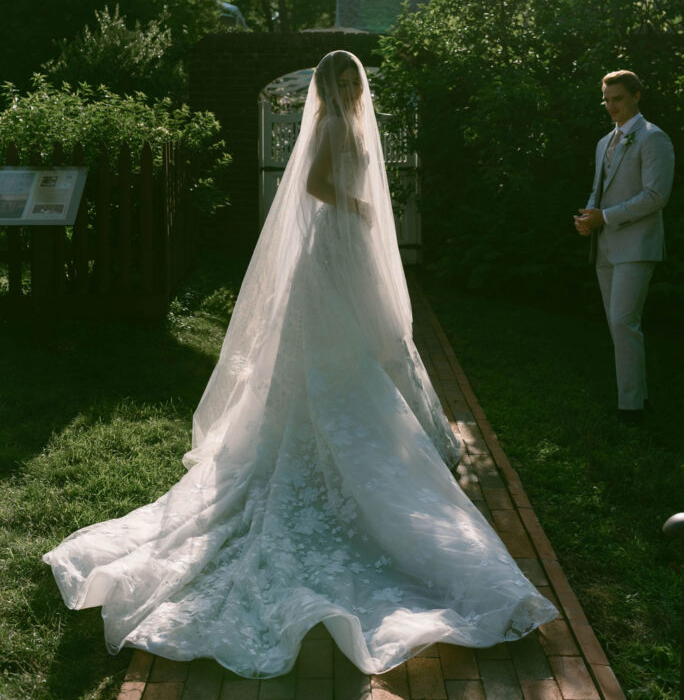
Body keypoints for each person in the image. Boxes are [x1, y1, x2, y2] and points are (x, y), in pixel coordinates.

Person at [44, 51, 557, 677]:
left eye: (352, 82)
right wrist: (358, 208)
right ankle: (318, 431)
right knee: (335, 354)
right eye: (338, 84)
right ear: (323, 89)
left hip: (344, 249)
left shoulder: (349, 123)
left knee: (356, 352)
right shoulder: (334, 127)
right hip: (335, 247)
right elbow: (316, 184)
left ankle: (333, 421)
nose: (347, 91)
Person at [574, 70, 675, 425]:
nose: (611, 106)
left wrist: (607, 217)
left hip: (637, 245)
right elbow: (598, 190)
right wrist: (588, 217)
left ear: (636, 96)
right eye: (606, 100)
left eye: (617, 98)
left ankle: (630, 408)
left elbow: (656, 196)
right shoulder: (605, 142)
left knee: (623, 322)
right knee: (618, 325)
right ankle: (637, 398)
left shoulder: (653, 138)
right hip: (605, 247)